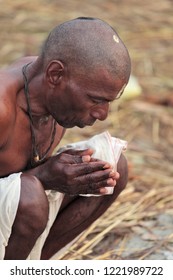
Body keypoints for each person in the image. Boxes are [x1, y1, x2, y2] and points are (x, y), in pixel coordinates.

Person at [0, 17, 131, 260]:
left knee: (110, 166)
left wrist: (56, 174)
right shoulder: (3, 108)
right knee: (28, 196)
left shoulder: (48, 90)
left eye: (108, 102)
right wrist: (41, 177)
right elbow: (24, 190)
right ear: (55, 74)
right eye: (95, 99)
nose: (102, 115)